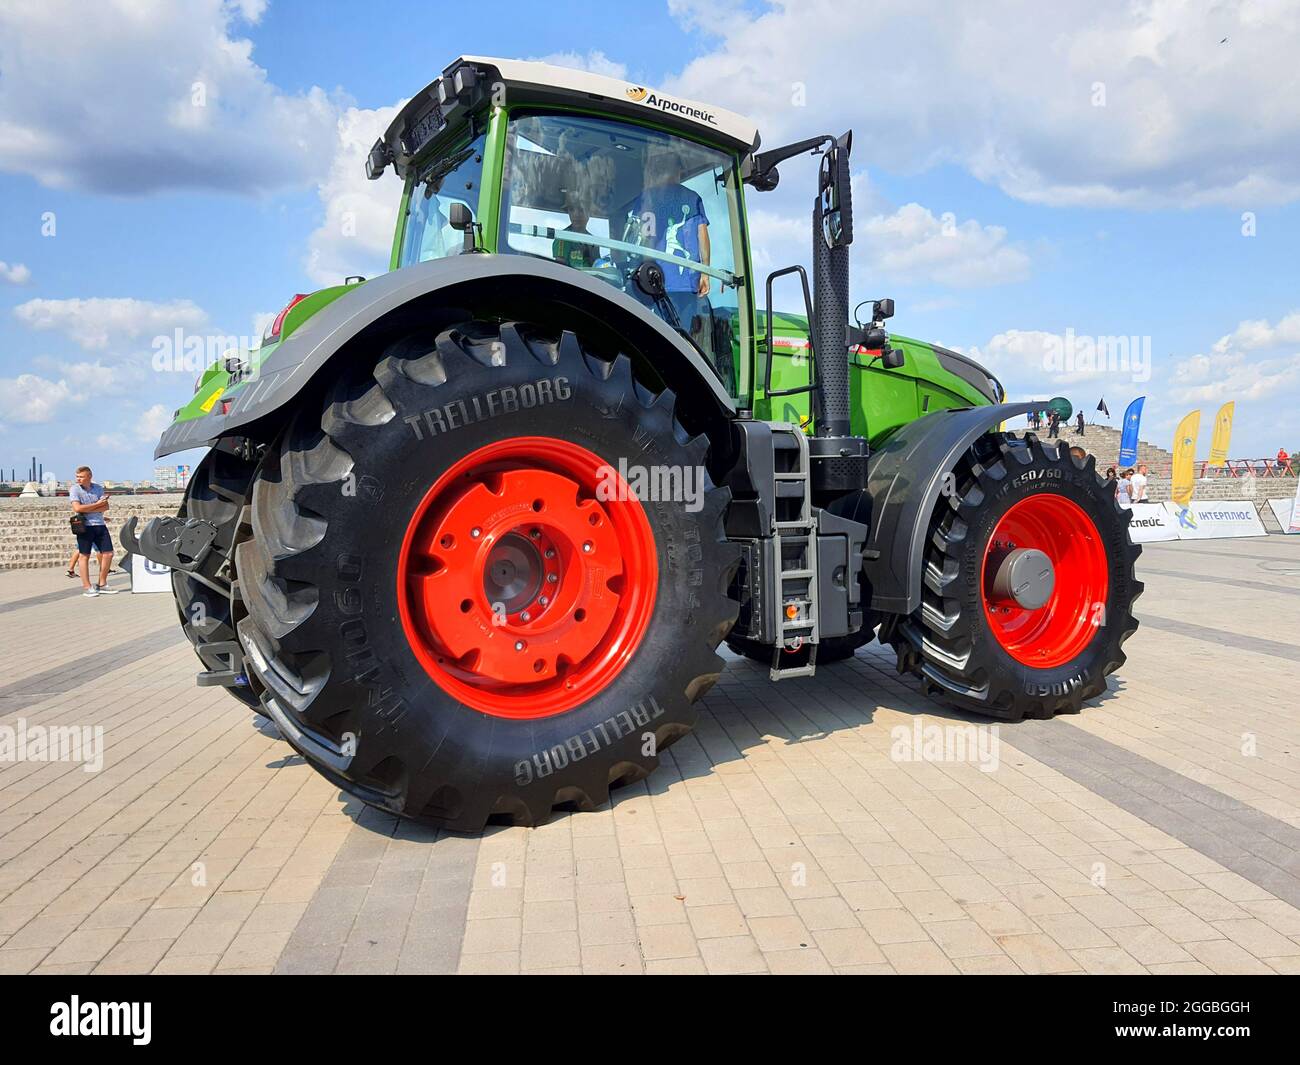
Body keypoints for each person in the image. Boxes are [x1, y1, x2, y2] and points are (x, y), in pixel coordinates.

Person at [626, 151, 713, 337]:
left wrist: (643, 269)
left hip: (657, 280)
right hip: (689, 280)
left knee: (661, 333)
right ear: (679, 171)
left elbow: (644, 237)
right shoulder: (693, 198)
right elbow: (702, 235)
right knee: (685, 334)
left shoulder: (648, 197)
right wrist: (705, 271)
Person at [69, 466, 118, 597]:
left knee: (108, 554)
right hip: (84, 526)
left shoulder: (98, 488)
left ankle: (102, 584)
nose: (78, 479)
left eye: (81, 477)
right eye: (77, 477)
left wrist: (88, 508)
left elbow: (106, 506)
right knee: (84, 555)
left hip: (100, 525)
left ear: (89, 477)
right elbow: (77, 508)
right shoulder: (74, 489)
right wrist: (97, 504)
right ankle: (87, 587)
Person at [552, 197, 599, 270]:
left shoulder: (594, 242)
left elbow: (598, 268)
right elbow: (559, 270)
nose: (576, 214)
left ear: (590, 212)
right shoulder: (563, 237)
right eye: (571, 210)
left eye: (581, 209)